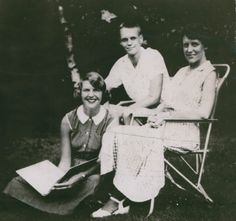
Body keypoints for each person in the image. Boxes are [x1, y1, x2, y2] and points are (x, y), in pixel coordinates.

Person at [91, 25, 217, 218]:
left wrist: (166, 116)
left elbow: (203, 113)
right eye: (185, 45)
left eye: (195, 44)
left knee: (134, 137)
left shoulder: (209, 73)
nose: (189, 49)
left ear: (205, 46)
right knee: (118, 132)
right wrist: (157, 114)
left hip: (185, 134)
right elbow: (167, 102)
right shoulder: (183, 71)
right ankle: (111, 189)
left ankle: (116, 200)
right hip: (164, 126)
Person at [3, 72, 114, 215]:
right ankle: (64, 204)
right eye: (86, 90)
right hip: (71, 169)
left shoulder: (110, 120)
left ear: (102, 93)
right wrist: (59, 177)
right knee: (18, 182)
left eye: (96, 90)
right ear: (79, 92)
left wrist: (79, 177)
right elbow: (65, 160)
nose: (91, 95)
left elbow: (103, 160)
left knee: (94, 182)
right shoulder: (68, 119)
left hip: (95, 171)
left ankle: (56, 206)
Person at [105, 21, 169, 121]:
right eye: (125, 40)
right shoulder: (121, 63)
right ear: (120, 42)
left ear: (141, 39)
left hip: (162, 112)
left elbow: (154, 97)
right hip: (138, 113)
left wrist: (128, 109)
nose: (129, 43)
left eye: (133, 38)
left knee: (123, 114)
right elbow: (104, 87)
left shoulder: (152, 56)